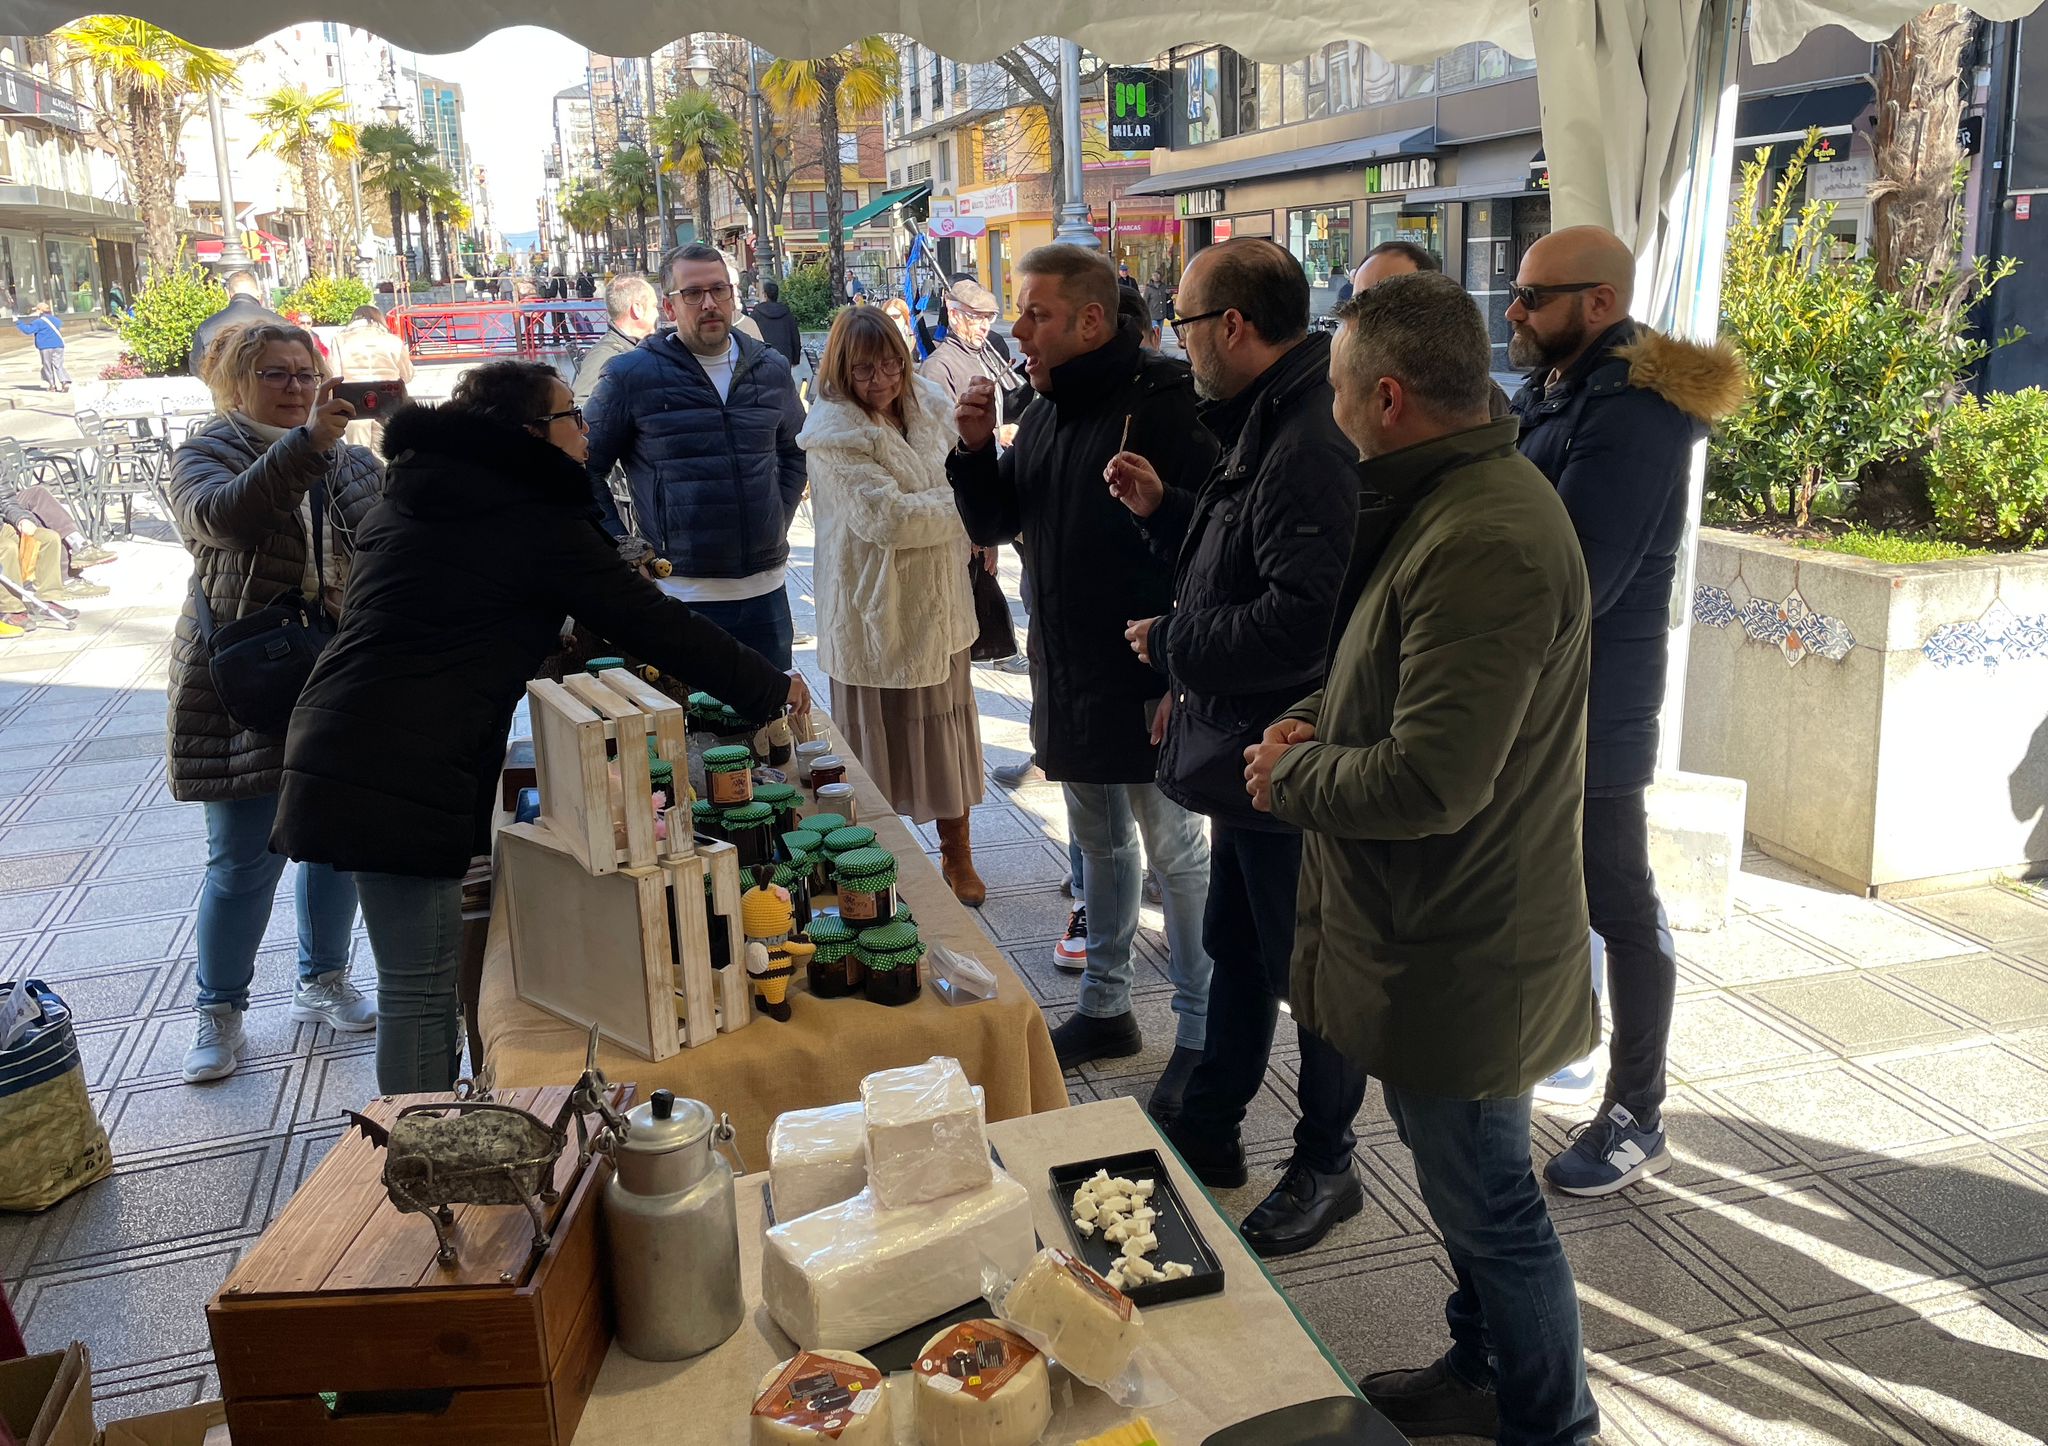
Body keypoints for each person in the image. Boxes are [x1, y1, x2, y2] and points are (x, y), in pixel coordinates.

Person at [1245, 271, 1598, 1445]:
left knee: (1492, 1200)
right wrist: (1315, 714)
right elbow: (1395, 681)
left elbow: (1434, 780)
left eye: (1337, 392)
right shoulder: (1451, 500)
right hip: (1440, 931)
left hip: (1467, 943)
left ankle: (1552, 1425)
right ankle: (1478, 1371)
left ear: (1385, 396)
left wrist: (1287, 775)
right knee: (1463, 1186)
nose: (1329, 414)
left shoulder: (1484, 532)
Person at [273, 360, 809, 1093]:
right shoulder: (529, 513)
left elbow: (456, 608)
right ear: (530, 433)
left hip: (353, 736)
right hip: (400, 765)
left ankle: (431, 1139)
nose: (586, 432)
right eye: (571, 417)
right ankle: (426, 1163)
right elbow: (651, 623)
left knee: (418, 985)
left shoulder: (432, 490)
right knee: (421, 995)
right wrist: (769, 686)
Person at [1103, 238, 1367, 1257]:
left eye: (1182, 320)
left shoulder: (1309, 434)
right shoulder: (1271, 415)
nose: (1176, 339)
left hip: (1285, 756)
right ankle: (1210, 1120)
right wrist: (1166, 509)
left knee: (1310, 968)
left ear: (1232, 328)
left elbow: (1302, 619)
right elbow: (1244, 558)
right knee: (1240, 945)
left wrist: (1173, 643)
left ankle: (1325, 1162)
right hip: (1248, 756)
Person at [1507, 225, 1746, 1196]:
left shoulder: (1637, 410)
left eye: (1532, 297)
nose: (1514, 312)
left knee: (1619, 899)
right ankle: (1558, 1047)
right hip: (1541, 694)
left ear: (1597, 303)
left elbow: (1579, 575)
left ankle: (1637, 1113)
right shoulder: (1561, 387)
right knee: (1554, 893)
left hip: (1594, 704)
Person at [949, 242, 1217, 1092]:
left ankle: (1204, 1026)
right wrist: (974, 451)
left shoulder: (1171, 405)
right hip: (1067, 668)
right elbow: (998, 523)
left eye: (1035, 313)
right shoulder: (1049, 406)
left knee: (1174, 847)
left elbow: (1214, 548)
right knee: (1095, 844)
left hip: (1148, 670)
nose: (1018, 328)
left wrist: (1182, 669)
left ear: (1092, 320)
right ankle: (1107, 1006)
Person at [168, 322, 383, 1084]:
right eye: (276, 374)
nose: (296, 387)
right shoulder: (208, 454)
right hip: (245, 681)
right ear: (235, 382)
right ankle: (219, 1012)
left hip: (335, 674)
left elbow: (394, 537)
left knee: (334, 840)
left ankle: (322, 980)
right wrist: (307, 449)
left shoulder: (349, 459)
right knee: (241, 858)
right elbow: (226, 519)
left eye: (305, 372)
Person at [800, 308, 986, 904]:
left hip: (939, 601)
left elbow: (961, 477)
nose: (879, 380)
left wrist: (948, 499)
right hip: (871, 608)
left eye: (889, 365)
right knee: (872, 751)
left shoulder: (931, 403)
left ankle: (957, 853)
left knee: (945, 735)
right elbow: (887, 518)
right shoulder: (831, 430)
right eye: (863, 369)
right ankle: (872, 864)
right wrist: (966, 510)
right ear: (840, 369)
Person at [584, 243, 807, 668]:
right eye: (693, 293)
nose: (709, 303)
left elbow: (795, 451)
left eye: (718, 290)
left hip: (766, 596)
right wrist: (621, 546)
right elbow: (583, 468)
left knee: (770, 726)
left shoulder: (770, 367)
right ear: (669, 306)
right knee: (687, 728)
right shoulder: (633, 375)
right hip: (680, 596)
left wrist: (777, 516)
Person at [574, 275, 658, 404]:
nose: (657, 313)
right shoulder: (605, 356)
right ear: (637, 309)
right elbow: (580, 404)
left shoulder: (639, 345)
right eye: (654, 306)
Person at [190, 272, 286, 378]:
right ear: (258, 293)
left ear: (228, 294)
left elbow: (197, 366)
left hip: (225, 391)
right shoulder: (281, 323)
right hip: (271, 390)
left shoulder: (207, 326)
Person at [14, 304, 68, 392]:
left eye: (37, 310)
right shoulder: (56, 320)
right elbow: (59, 325)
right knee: (59, 365)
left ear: (40, 311)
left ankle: (52, 385)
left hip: (45, 346)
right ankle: (64, 381)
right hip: (58, 345)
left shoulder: (38, 322)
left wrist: (19, 323)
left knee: (47, 366)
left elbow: (28, 330)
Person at [750, 279, 804, 366]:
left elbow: (750, 336)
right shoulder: (786, 312)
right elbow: (795, 336)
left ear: (765, 294)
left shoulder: (757, 312)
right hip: (785, 357)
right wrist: (795, 358)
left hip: (763, 357)